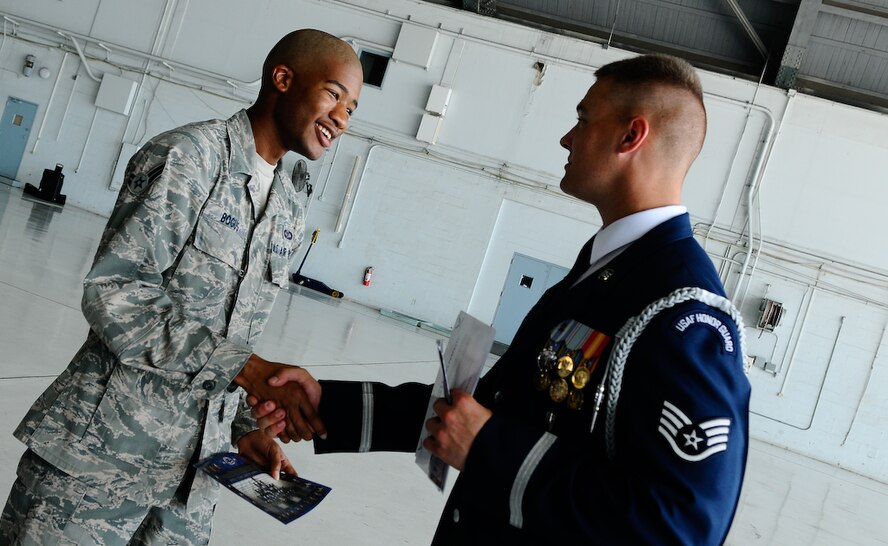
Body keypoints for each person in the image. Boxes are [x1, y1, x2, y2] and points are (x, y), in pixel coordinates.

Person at [252, 53, 751, 544]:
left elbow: (683, 527)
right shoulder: (605, 271)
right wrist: (329, 404)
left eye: (582, 119)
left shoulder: (683, 312)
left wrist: (491, 448)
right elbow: (492, 406)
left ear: (630, 136)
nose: (566, 137)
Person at [0, 29, 362, 545]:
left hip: (193, 482)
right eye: (333, 94)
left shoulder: (289, 201)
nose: (342, 119)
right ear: (283, 78)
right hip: (97, 464)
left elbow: (236, 330)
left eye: (352, 108)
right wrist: (246, 370)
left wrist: (244, 430)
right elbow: (116, 292)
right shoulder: (190, 157)